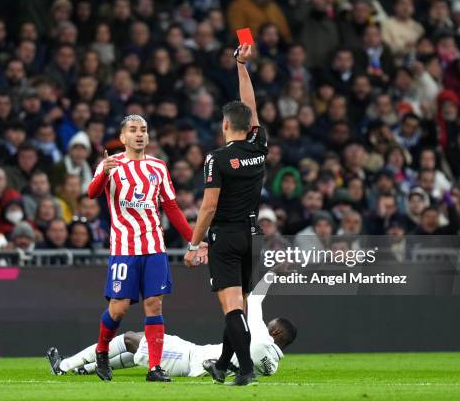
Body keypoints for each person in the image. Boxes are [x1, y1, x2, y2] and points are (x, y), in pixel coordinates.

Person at [84, 114, 206, 382]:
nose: (139, 134)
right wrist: (103, 173)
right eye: (133, 130)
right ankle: (102, 351)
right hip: (124, 247)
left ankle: (154, 367)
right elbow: (92, 194)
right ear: (123, 137)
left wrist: (193, 240)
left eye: (143, 130)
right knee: (119, 309)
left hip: (154, 246)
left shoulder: (158, 167)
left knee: (154, 306)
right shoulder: (110, 165)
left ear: (148, 137)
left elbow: (171, 207)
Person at [184, 43, 268, 386]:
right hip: (253, 237)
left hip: (226, 237)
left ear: (224, 125)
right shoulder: (259, 145)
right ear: (248, 125)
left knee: (232, 307)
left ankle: (245, 370)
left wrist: (193, 244)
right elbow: (251, 105)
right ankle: (221, 363)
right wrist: (242, 67)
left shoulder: (216, 159)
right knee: (239, 306)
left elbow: (209, 207)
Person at [47, 272, 296, 377]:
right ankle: (86, 370)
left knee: (131, 339)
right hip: (194, 359)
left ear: (274, 332)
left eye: (268, 324)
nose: (263, 325)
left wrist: (270, 275)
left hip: (189, 358)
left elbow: (254, 299)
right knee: (139, 353)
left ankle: (64, 366)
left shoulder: (262, 339)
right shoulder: (272, 366)